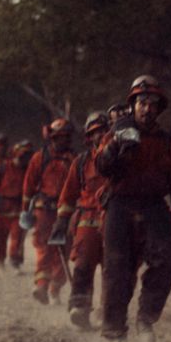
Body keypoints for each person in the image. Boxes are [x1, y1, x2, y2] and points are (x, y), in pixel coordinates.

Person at [95, 75, 171, 342]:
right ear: (133, 105)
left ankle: (146, 319)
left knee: (170, 261)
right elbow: (101, 166)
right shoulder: (115, 133)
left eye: (152, 104)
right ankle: (114, 334)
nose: (147, 108)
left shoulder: (168, 144)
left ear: (159, 109)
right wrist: (116, 144)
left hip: (154, 206)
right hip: (120, 204)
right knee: (116, 269)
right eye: (142, 103)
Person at [53, 111, 112, 330]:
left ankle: (108, 312)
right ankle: (80, 307)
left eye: (105, 131)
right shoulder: (81, 163)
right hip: (88, 220)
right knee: (83, 265)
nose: (101, 136)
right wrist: (61, 221)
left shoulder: (124, 160)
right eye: (96, 133)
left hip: (115, 221)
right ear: (89, 137)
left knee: (113, 270)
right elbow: (68, 196)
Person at [23, 118, 76, 304]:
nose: (63, 141)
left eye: (66, 137)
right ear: (52, 137)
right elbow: (29, 186)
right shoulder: (39, 157)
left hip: (66, 213)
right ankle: (42, 285)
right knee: (44, 248)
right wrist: (25, 211)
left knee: (65, 250)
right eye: (60, 137)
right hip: (43, 210)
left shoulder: (74, 160)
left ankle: (55, 288)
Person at [0, 139, 30, 270]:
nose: (24, 159)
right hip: (0, 209)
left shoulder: (29, 171)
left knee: (17, 237)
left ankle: (15, 261)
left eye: (26, 156)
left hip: (18, 209)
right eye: (21, 156)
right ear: (15, 155)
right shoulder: (2, 168)